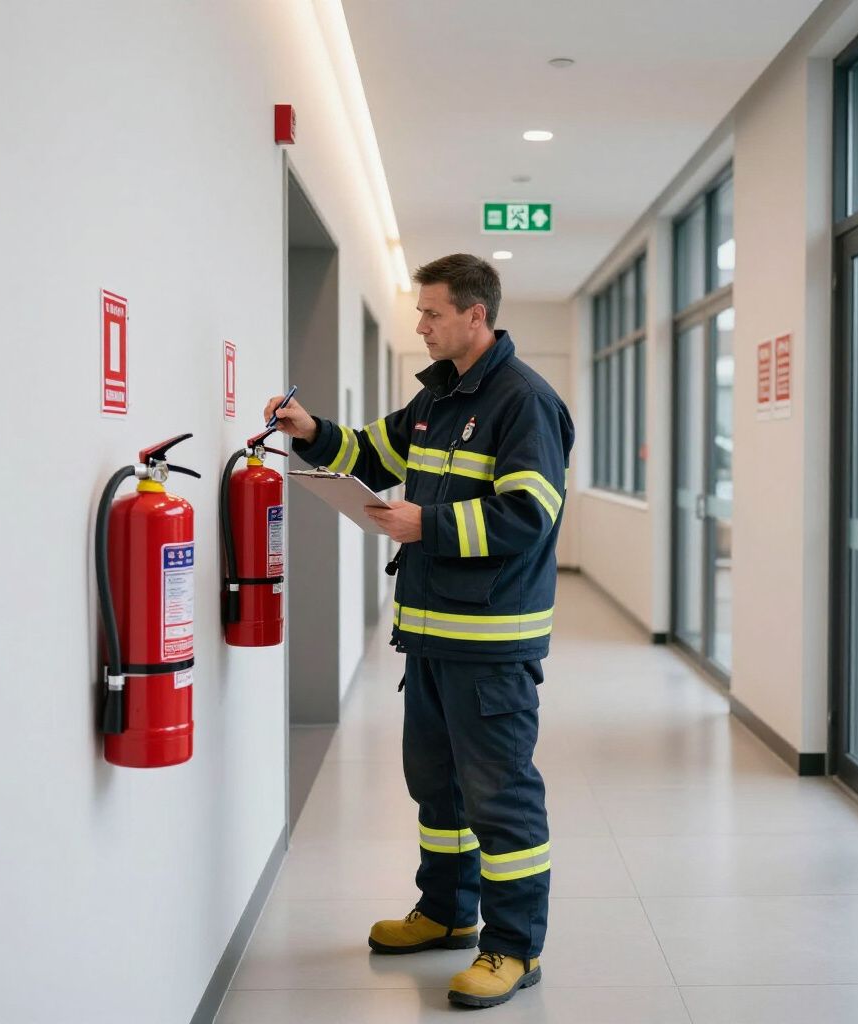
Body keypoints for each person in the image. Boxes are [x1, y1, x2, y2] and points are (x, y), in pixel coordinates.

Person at [265, 253, 574, 1008]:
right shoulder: (438, 399)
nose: (421, 325)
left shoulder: (522, 402)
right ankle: (444, 912)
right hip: (431, 638)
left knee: (499, 796)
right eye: (421, 312)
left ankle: (512, 948)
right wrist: (311, 431)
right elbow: (370, 451)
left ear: (477, 315)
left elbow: (529, 515)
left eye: (433, 312)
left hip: (491, 642)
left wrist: (423, 523)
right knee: (437, 790)